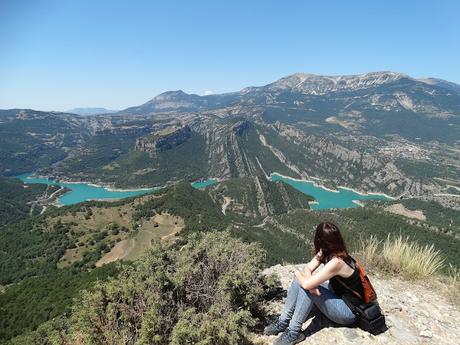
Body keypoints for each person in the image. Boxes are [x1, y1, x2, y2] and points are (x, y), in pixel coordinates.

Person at [264, 222, 368, 345]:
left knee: (304, 284)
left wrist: (300, 276)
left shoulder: (337, 263)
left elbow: (306, 282)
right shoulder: (327, 252)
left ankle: (293, 332)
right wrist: (306, 280)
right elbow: (308, 269)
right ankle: (283, 321)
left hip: (349, 312)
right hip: (338, 297)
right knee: (303, 282)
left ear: (319, 240)